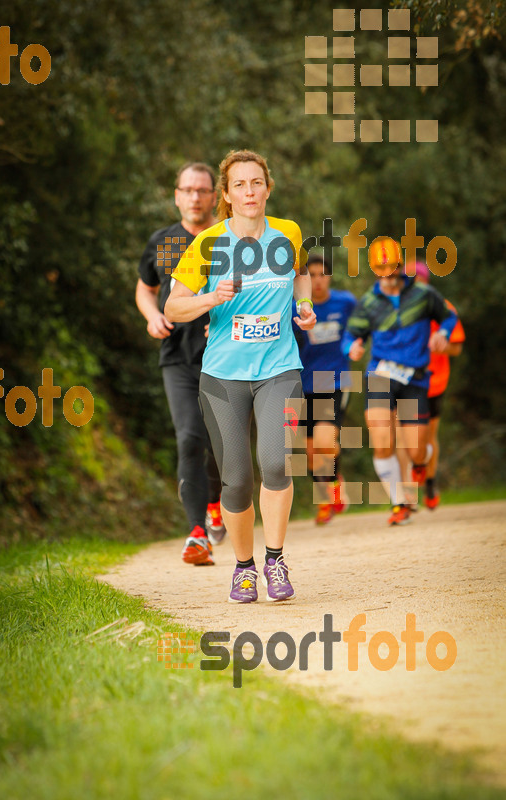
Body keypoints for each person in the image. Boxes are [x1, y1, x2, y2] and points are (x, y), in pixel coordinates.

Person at [165, 149, 316, 603]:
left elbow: (301, 273)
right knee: (236, 479)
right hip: (223, 376)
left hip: (279, 369)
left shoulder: (287, 233)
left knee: (275, 462)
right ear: (227, 196)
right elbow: (173, 306)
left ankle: (275, 559)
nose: (249, 191)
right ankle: (244, 568)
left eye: (256, 182)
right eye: (239, 185)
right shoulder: (209, 244)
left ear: (268, 187)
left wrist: (303, 307)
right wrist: (211, 298)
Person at [136, 162, 225, 567]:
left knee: (222, 444)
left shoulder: (229, 238)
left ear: (214, 195)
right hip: (178, 358)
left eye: (202, 190)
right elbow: (145, 287)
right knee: (189, 437)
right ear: (176, 195)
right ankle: (197, 533)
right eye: (187, 190)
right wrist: (151, 315)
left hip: (226, 357)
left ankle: (218, 502)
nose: (194, 197)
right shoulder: (162, 242)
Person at [342, 237, 459, 526]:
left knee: (416, 450)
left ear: (400, 265)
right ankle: (398, 504)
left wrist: (442, 334)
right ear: (374, 270)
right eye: (383, 270)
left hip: (415, 379)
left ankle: (421, 465)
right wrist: (351, 348)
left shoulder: (423, 294)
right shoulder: (368, 302)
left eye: (393, 268)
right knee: (382, 443)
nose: (390, 276)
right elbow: (349, 336)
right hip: (380, 375)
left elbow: (449, 318)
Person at [292, 254, 356, 525]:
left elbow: (359, 329)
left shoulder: (346, 303)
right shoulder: (294, 308)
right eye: (312, 275)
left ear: (329, 276)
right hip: (301, 383)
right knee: (310, 451)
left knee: (324, 441)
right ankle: (330, 487)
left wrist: (353, 344)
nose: (317, 280)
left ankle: (327, 497)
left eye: (322, 274)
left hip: (334, 380)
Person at [412, 261, 465, 508]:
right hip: (407, 380)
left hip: (435, 382)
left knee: (429, 435)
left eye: (418, 280)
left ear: (427, 283)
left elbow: (457, 347)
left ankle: (430, 481)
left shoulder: (444, 308)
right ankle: (406, 494)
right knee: (408, 436)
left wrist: (445, 346)